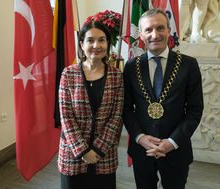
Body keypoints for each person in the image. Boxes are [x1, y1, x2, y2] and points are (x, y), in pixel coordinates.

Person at [123, 8, 204, 189]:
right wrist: (139, 137)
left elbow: (195, 109)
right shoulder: (131, 67)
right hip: (142, 149)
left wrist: (172, 141)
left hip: (176, 149)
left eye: (160, 28)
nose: (155, 34)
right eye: (148, 30)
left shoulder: (188, 65)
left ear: (169, 30)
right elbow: (126, 108)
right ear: (142, 35)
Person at [58, 21, 124, 189]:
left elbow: (116, 117)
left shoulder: (117, 76)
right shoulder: (68, 73)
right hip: (73, 155)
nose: (96, 45)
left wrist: (98, 149)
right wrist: (83, 151)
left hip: (104, 156)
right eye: (90, 40)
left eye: (102, 40)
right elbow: (66, 117)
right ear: (82, 44)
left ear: (108, 44)